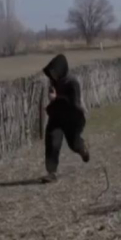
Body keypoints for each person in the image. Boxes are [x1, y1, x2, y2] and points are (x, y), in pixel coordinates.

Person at [41, 54, 90, 183]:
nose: (53, 75)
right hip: (57, 117)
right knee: (52, 141)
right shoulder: (53, 82)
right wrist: (52, 100)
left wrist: (57, 98)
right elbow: (54, 99)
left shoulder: (72, 83)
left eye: (54, 72)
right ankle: (51, 173)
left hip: (72, 118)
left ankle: (82, 149)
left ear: (61, 70)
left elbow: (74, 104)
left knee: (74, 144)